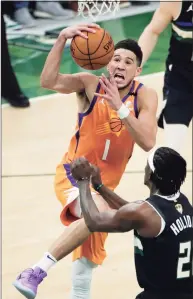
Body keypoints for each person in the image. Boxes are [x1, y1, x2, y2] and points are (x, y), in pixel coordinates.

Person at [13, 23, 158, 299]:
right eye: (116, 58)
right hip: (74, 175)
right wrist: (61, 40)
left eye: (128, 62)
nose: (120, 65)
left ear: (137, 71)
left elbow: (148, 141)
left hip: (103, 186)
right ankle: (36, 271)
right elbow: (47, 81)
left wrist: (121, 108)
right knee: (100, 212)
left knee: (84, 269)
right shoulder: (89, 84)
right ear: (106, 61)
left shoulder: (145, 96)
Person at [13, 147, 193, 299]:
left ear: (152, 175)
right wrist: (100, 187)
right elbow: (133, 211)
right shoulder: (183, 204)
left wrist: (83, 183)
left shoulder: (144, 214)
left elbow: (94, 222)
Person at [138, 0, 193, 154]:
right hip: (181, 81)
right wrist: (135, 65)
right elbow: (153, 31)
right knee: (171, 152)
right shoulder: (175, 2)